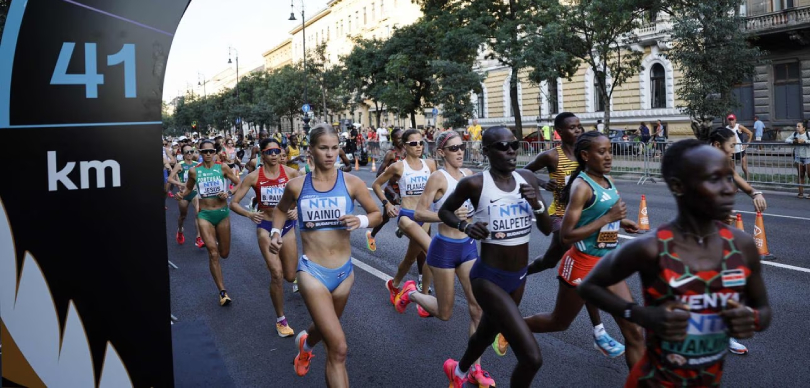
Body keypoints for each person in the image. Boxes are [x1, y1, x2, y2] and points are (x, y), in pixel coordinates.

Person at [578, 140, 772, 387]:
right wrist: (640, 314)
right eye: (714, 179)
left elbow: (764, 312)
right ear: (679, 186)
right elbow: (588, 287)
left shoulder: (742, 245)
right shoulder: (651, 247)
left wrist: (751, 318)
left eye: (728, 178)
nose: (729, 189)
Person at [519, 131, 645, 371]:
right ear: (586, 156)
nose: (609, 156)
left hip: (607, 264)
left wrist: (618, 223)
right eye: (602, 152)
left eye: (609, 150)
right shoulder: (581, 186)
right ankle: (511, 326)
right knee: (559, 322)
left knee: (635, 332)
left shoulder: (605, 179)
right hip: (582, 265)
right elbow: (566, 235)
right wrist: (608, 217)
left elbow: (597, 216)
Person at [438, 126, 552, 388]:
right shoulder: (475, 184)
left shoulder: (527, 179)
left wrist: (538, 204)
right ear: (487, 151)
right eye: (502, 146)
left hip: (518, 277)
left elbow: (547, 229)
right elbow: (446, 212)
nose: (511, 150)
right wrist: (465, 226)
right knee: (532, 358)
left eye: (514, 145)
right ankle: (462, 370)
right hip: (488, 278)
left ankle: (460, 370)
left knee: (486, 333)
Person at [268, 123, 381, 386]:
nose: (330, 154)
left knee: (323, 330)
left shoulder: (351, 183)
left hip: (344, 273)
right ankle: (309, 346)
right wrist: (275, 233)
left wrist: (361, 221)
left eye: (335, 148)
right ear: (312, 151)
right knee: (338, 347)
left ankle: (306, 344)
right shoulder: (297, 186)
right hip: (312, 272)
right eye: (324, 148)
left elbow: (377, 213)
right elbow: (281, 210)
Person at [392, 130, 496, 386]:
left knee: (477, 310)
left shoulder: (469, 176)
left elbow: (479, 210)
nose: (459, 151)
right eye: (453, 148)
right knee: (445, 312)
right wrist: (446, 215)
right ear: (441, 152)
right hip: (444, 249)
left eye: (462, 146)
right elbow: (418, 213)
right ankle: (410, 293)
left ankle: (474, 368)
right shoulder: (438, 178)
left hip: (468, 248)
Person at [230, 138, 300, 337]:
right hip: (266, 226)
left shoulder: (292, 174)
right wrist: (250, 214)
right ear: (262, 155)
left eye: (277, 151)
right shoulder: (253, 177)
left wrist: (296, 210)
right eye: (269, 152)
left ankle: (299, 275)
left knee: (289, 275)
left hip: (286, 227)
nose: (274, 155)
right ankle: (281, 320)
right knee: (276, 274)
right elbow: (233, 203)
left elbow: (305, 196)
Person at [708, 127, 768, 354]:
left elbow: (735, 178)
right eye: (732, 146)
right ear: (716, 145)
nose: (735, 149)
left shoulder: (726, 164)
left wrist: (754, 192)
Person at [373, 129, 437, 302]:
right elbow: (376, 184)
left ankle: (394, 284)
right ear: (405, 146)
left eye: (421, 143)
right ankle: (424, 298)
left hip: (425, 216)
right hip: (407, 216)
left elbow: (436, 191)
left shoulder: (430, 164)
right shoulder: (398, 166)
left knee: (410, 258)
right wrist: (387, 204)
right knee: (431, 250)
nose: (418, 147)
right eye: (414, 143)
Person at [178, 140, 241, 306]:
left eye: (211, 151)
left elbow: (238, 183)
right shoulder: (194, 171)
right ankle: (222, 292)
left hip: (222, 213)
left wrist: (228, 193)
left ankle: (217, 242)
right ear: (200, 152)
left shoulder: (223, 167)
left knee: (224, 253)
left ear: (215, 152)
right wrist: (181, 195)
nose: (207, 154)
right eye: (204, 151)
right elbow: (188, 189)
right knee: (213, 253)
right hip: (204, 215)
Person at [365, 128, 405, 251]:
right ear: (393, 139)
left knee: (412, 211)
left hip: (406, 189)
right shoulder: (391, 154)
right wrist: (390, 173)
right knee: (385, 218)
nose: (401, 140)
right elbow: (379, 174)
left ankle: (402, 227)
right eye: (398, 138)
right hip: (392, 189)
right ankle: (371, 235)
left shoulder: (408, 151)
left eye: (403, 137)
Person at [168, 144, 203, 247]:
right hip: (183, 194)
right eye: (186, 152)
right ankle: (179, 230)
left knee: (198, 213)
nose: (189, 154)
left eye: (191, 152)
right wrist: (181, 184)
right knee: (183, 216)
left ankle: (198, 238)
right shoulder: (180, 165)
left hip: (194, 192)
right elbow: (170, 179)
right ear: (183, 154)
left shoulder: (197, 164)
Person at [785, 121, 809, 198]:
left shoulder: (808, 134)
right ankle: (800, 193)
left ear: (804, 128)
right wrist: (793, 141)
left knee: (809, 174)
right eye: (796, 126)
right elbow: (786, 140)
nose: (797, 128)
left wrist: (804, 141)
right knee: (800, 175)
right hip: (798, 157)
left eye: (799, 126)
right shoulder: (795, 134)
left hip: (808, 157)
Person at [726, 114, 753, 181]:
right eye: (729, 120)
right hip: (732, 152)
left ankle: (748, 182)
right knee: (732, 169)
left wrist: (747, 143)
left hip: (741, 150)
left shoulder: (739, 127)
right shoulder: (726, 128)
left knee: (744, 168)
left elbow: (750, 133)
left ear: (735, 120)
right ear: (727, 121)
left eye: (732, 120)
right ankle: (735, 184)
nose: (731, 121)